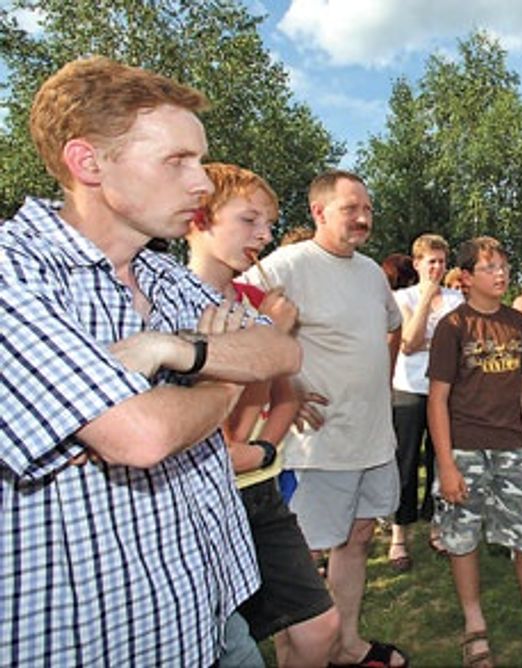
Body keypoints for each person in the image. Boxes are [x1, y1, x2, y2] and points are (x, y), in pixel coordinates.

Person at [0, 56, 301, 666]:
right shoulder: (15, 273)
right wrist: (223, 376)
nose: (201, 183)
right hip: (96, 641)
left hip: (212, 612)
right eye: (177, 161)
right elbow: (140, 437)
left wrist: (175, 350)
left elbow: (281, 348)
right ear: (88, 163)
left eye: (199, 159)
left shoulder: (164, 275)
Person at [245, 170, 407, 668]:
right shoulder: (287, 265)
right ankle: (298, 658)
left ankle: (347, 646)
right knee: (303, 560)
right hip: (317, 447)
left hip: (373, 439)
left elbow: (393, 327)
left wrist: (381, 380)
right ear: (318, 211)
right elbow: (235, 320)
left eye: (368, 209)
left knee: (358, 539)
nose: (363, 218)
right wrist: (284, 389)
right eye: (350, 208)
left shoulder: (371, 272)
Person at [187, 162, 340, 667]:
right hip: (202, 500)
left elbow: (287, 394)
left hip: (260, 489)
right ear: (199, 218)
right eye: (249, 220)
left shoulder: (256, 301)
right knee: (228, 638)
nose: (265, 235)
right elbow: (200, 422)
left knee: (319, 626)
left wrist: (264, 450)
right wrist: (265, 335)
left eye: (269, 224)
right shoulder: (174, 305)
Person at [427, 236, 522, 666]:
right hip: (464, 450)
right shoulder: (452, 327)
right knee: (462, 539)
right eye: (489, 267)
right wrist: (446, 464)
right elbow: (437, 400)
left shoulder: (519, 323)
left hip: (513, 447)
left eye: (503, 265)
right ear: (467, 278)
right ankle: (474, 623)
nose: (501, 273)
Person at [389, 233, 465, 569]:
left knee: (441, 461)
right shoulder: (401, 297)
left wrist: (428, 341)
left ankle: (436, 525)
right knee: (404, 463)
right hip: (408, 389)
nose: (437, 268)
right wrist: (425, 300)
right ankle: (398, 536)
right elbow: (408, 342)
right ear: (417, 263)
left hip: (446, 390)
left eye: (442, 262)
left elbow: (460, 345)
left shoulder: (457, 300)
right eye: (431, 262)